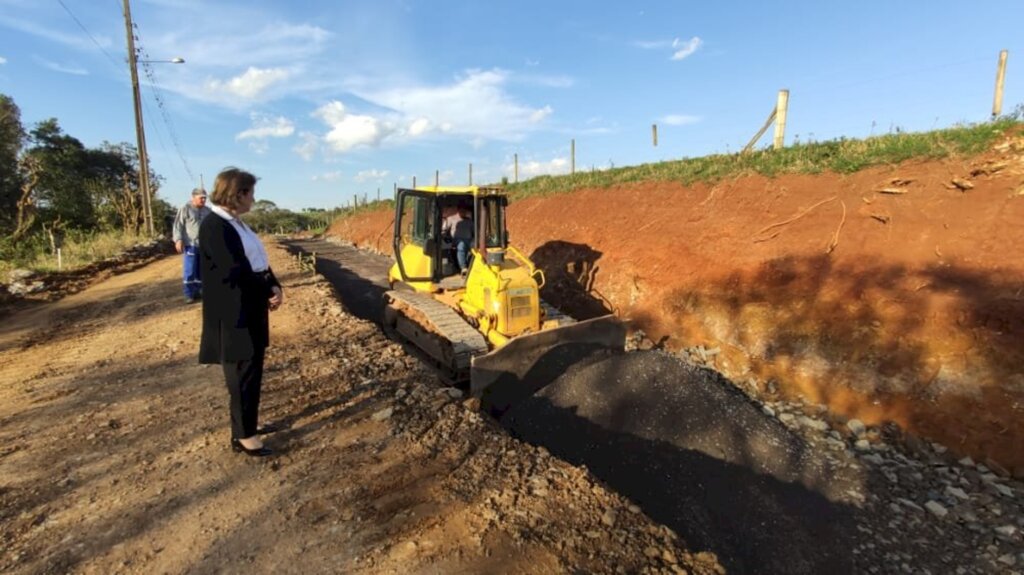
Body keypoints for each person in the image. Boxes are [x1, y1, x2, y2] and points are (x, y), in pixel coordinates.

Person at [198, 168, 284, 458]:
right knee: (241, 374)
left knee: (251, 370)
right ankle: (244, 435)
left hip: (249, 306)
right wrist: (265, 290)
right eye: (250, 193)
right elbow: (234, 270)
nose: (253, 199)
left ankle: (248, 426)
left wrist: (274, 284)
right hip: (233, 312)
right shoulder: (214, 226)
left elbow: (259, 262)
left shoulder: (238, 225)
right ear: (238, 194)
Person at [172, 187, 211, 303]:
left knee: (201, 269)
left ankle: (199, 291)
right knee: (190, 270)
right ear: (193, 197)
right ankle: (188, 294)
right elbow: (178, 225)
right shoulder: (185, 209)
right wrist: (178, 240)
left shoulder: (207, 211)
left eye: (205, 198)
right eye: (201, 198)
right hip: (190, 244)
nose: (203, 200)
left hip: (204, 245)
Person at [442, 204, 474, 276]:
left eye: (465, 210)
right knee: (461, 245)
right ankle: (463, 268)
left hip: (469, 240)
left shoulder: (469, 221)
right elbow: (444, 229)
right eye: (462, 210)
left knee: (474, 246)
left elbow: (474, 231)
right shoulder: (451, 219)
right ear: (458, 210)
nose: (463, 212)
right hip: (457, 240)